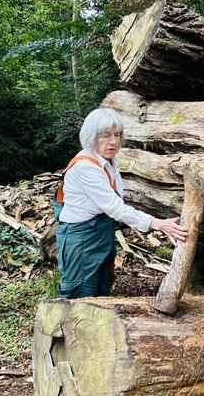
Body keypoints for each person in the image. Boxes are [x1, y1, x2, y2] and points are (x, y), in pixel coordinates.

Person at [55, 108, 188, 299]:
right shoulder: (85, 167)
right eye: (106, 135)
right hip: (81, 237)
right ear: (92, 137)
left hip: (100, 230)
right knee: (80, 294)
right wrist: (158, 224)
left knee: (101, 289)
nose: (113, 141)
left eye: (117, 135)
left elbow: (115, 200)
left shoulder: (109, 161)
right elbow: (115, 207)